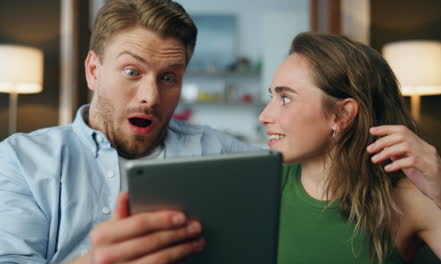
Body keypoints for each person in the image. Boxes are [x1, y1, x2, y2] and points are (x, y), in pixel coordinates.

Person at [0, 0, 257, 263]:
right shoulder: (22, 160)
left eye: (169, 77)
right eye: (132, 71)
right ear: (93, 71)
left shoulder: (221, 152)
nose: (151, 97)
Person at [258, 32, 441, 263]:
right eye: (272, 97)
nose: (264, 116)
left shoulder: (408, 200)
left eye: (285, 98)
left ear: (342, 115)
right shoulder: (263, 187)